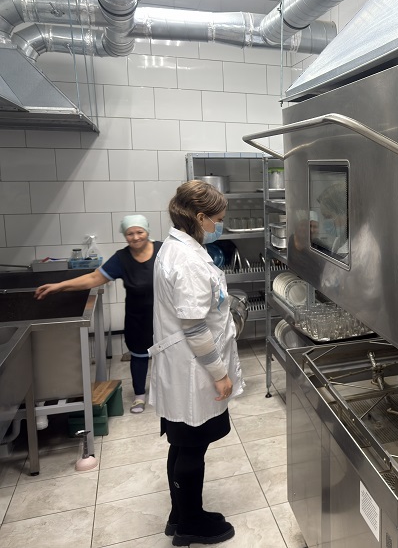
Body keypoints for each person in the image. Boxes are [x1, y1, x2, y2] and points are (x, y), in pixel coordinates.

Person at [149, 180, 244, 546]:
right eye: (217, 219)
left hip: (185, 364)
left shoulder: (177, 247)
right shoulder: (188, 261)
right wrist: (219, 374)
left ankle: (180, 514)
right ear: (200, 217)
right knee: (191, 444)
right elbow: (194, 327)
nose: (220, 225)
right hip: (194, 368)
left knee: (182, 442)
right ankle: (191, 524)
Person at [35, 215, 162, 415]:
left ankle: (165, 391)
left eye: (140, 232)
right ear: (124, 235)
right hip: (138, 317)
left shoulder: (163, 250)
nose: (135, 237)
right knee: (139, 356)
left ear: (147, 231)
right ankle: (139, 396)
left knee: (167, 355)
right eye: (130, 233)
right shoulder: (122, 258)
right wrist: (60, 286)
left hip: (164, 316)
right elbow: (94, 277)